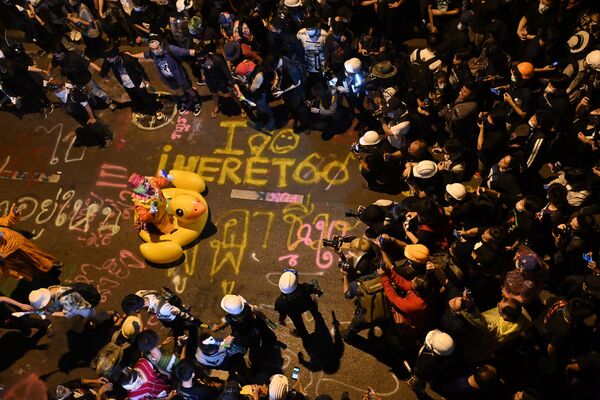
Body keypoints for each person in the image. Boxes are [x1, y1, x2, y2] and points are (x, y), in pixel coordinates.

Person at [127, 34, 201, 115]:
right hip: (169, 78)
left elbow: (186, 52)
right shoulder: (152, 53)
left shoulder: (170, 49)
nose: (155, 50)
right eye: (152, 49)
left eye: (157, 47)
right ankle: (184, 100)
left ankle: (197, 100)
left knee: (188, 89)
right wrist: (132, 55)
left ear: (162, 44)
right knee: (178, 90)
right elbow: (144, 55)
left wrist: (201, 52)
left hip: (180, 76)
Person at [0, 204, 62, 281]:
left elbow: (6, 221)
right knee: (24, 266)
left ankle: (50, 266)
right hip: (6, 254)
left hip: (15, 240)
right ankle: (40, 277)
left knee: (35, 254)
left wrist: (13, 214)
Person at [100, 46, 160, 116]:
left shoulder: (127, 58)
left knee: (146, 97)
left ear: (114, 55)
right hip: (126, 85)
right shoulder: (109, 61)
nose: (107, 59)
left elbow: (140, 69)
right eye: (106, 58)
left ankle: (155, 110)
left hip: (137, 82)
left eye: (108, 57)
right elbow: (103, 72)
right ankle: (142, 109)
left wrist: (146, 79)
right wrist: (105, 76)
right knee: (135, 99)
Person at [275, 269, 323, 338]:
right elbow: (315, 290)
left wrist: (281, 320)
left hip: (294, 313)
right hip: (307, 304)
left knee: (299, 324)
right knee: (313, 308)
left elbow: (282, 313)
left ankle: (304, 335)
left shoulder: (280, 302)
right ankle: (318, 320)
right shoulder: (305, 288)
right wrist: (319, 292)